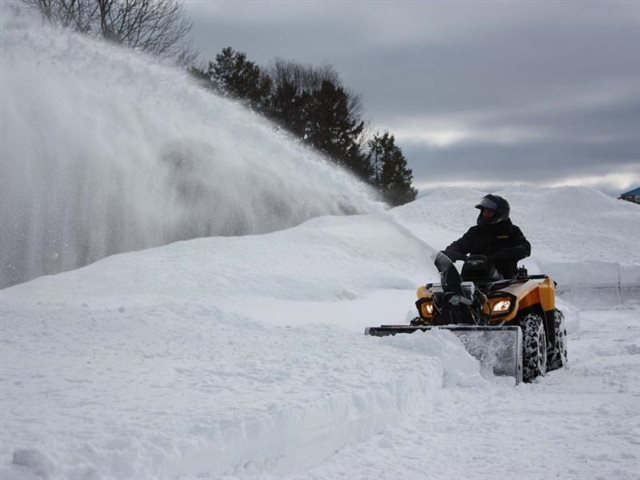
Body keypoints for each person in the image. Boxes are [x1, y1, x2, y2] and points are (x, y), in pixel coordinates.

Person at [442, 194, 531, 278]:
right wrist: (450, 253)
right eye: (484, 211)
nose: (485, 214)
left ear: (500, 213)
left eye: (489, 212)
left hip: (505, 280)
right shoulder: (475, 231)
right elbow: (461, 244)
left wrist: (505, 254)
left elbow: (525, 248)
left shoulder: (511, 231)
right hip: (475, 277)